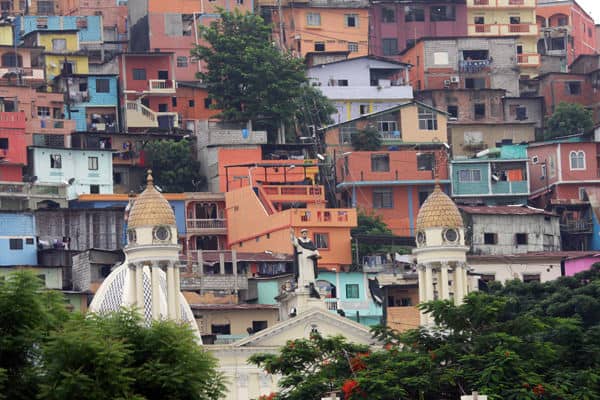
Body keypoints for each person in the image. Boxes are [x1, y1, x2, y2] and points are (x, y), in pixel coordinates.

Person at [291, 228, 321, 298]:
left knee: (310, 271)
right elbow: (293, 242)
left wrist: (317, 255)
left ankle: (311, 283)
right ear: (301, 234)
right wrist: (292, 234)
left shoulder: (310, 241)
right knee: (302, 272)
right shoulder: (299, 240)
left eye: (306, 233)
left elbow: (314, 249)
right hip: (301, 258)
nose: (305, 234)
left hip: (309, 259)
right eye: (303, 233)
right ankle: (303, 284)